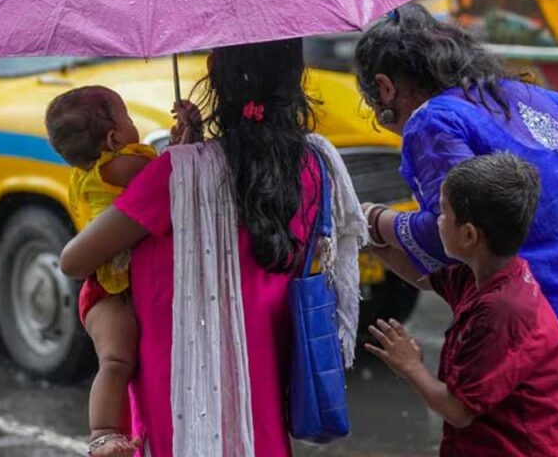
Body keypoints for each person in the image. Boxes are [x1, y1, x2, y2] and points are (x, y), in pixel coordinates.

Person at [353, 3, 558, 456]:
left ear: (385, 88)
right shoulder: (556, 103)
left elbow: (452, 231)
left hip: (529, 331)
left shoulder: (434, 120)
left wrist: (375, 220)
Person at [59, 39, 365, 456]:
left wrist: (181, 158)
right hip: (269, 362)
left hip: (184, 370)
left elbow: (75, 260)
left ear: (215, 72)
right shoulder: (313, 161)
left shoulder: (177, 173)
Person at [367, 152, 558, 456]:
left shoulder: (503, 311)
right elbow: (425, 278)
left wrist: (411, 366)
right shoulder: (491, 273)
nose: (437, 221)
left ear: (469, 234)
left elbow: (458, 410)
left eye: (442, 214)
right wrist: (368, 238)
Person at [45, 86, 201, 457]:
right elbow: (165, 173)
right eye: (128, 118)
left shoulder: (88, 172)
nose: (133, 125)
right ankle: (103, 433)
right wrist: (187, 140)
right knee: (116, 360)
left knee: (122, 362)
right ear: (114, 137)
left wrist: (181, 139)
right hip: (107, 292)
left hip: (113, 287)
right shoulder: (116, 166)